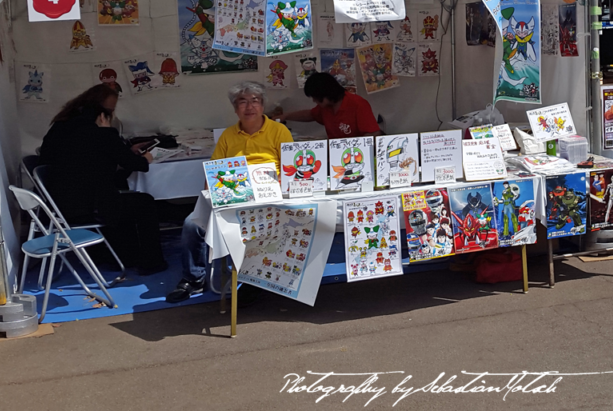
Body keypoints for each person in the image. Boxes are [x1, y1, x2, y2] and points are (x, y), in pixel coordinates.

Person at [167, 81, 293, 303]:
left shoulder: (279, 130)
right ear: (235, 109)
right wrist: (209, 196)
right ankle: (193, 279)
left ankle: (256, 280)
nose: (249, 106)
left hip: (268, 198)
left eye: (255, 101)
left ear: (263, 105)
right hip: (232, 197)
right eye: (242, 102)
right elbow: (213, 170)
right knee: (191, 224)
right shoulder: (228, 135)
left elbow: (289, 168)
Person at [39, 84, 166, 274]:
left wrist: (121, 149)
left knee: (123, 195)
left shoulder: (61, 126)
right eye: (111, 111)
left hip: (58, 202)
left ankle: (121, 254)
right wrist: (146, 157)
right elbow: (136, 165)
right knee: (144, 202)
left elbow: (90, 158)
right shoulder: (100, 133)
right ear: (102, 115)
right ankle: (152, 262)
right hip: (87, 206)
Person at [272, 72, 380, 139]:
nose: (314, 101)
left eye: (315, 97)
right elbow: (310, 115)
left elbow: (374, 134)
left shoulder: (357, 104)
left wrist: (351, 147)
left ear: (325, 93)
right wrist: (285, 116)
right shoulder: (325, 108)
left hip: (356, 156)